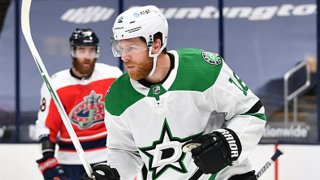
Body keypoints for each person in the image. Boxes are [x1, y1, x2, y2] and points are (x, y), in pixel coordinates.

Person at [86, 5, 267, 180]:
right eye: (120, 48)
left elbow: (251, 111)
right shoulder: (118, 97)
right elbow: (124, 150)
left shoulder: (202, 70)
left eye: (131, 48)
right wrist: (114, 174)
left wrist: (229, 142)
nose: (124, 56)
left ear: (156, 44)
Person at [34, 28, 122, 180]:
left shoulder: (113, 76)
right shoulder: (55, 85)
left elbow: (126, 115)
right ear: (73, 51)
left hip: (109, 156)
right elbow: (47, 126)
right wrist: (48, 157)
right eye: (82, 50)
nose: (87, 56)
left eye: (91, 50)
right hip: (71, 161)